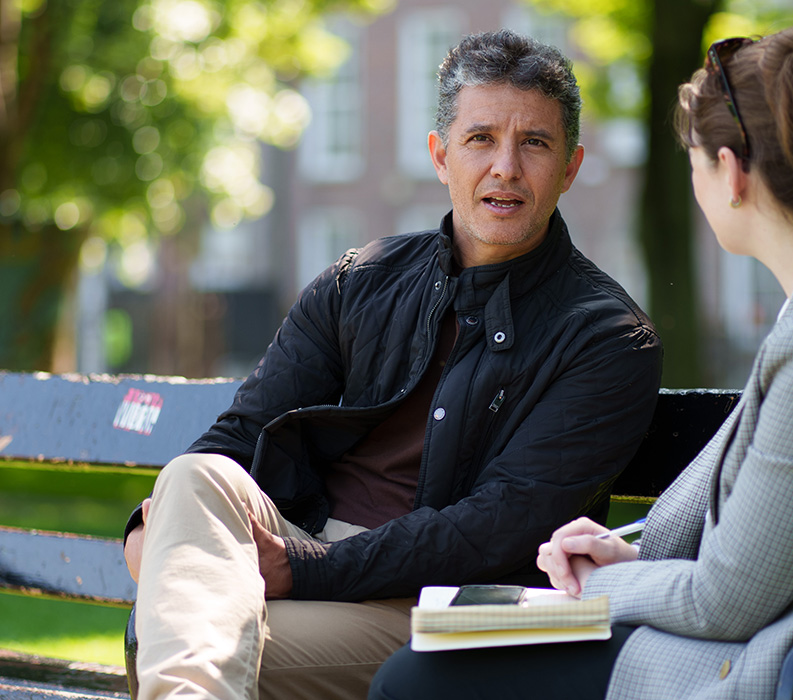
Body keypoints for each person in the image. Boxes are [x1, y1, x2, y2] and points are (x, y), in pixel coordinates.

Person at [368, 16, 793, 700]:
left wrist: (602, 583)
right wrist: (631, 555)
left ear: (730, 172)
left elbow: (728, 600)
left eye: (693, 161)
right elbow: (766, 540)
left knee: (417, 681)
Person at [122, 29, 663, 700]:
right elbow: (240, 436)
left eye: (535, 143)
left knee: (188, 637)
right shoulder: (364, 280)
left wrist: (303, 568)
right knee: (195, 476)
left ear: (571, 166)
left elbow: (495, 531)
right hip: (299, 552)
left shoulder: (606, 338)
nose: (505, 168)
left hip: (436, 606)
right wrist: (151, 531)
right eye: (480, 139)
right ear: (440, 155)